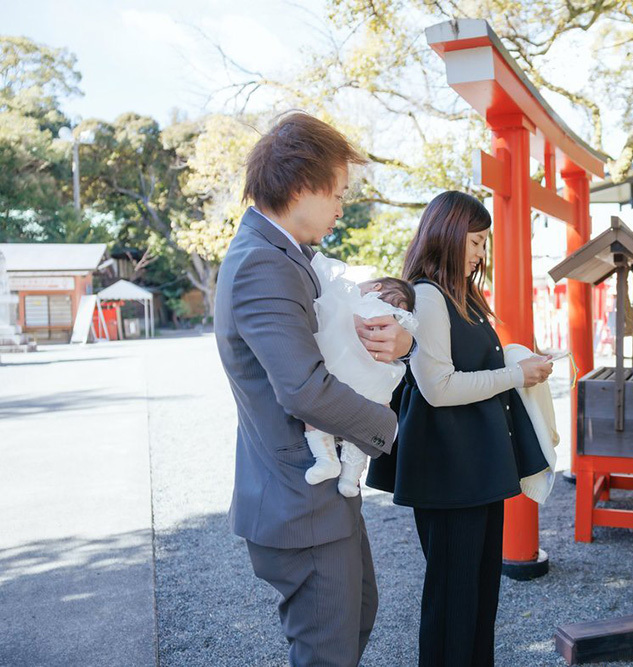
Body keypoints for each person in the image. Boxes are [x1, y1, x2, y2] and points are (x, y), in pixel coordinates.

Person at [214, 111, 412, 667]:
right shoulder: (263, 263)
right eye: (338, 193)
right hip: (296, 499)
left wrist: (388, 339)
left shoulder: (283, 254)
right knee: (330, 649)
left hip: (311, 495)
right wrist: (394, 427)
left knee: (356, 618)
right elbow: (303, 388)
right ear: (302, 185)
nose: (341, 208)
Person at [367, 190, 554, 667]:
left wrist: (515, 361)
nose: (480, 253)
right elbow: (439, 387)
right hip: (448, 471)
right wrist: (516, 374)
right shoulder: (428, 296)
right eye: (475, 241)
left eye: (483, 243)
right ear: (448, 236)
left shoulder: (462, 294)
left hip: (474, 467)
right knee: (454, 599)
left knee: (478, 594)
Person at [304, 255, 417, 497]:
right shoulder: (394, 320)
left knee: (312, 412)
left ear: (375, 287)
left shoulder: (355, 300)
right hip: (375, 382)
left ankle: (325, 459)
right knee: (368, 420)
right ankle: (350, 477)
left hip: (340, 369)